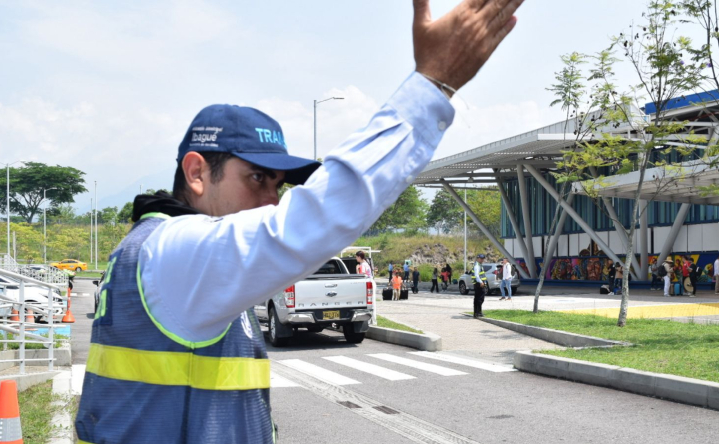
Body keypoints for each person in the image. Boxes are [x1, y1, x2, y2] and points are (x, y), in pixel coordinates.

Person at [74, 1, 529, 441]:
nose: (272, 200)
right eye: (256, 178)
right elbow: (318, 215)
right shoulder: (179, 252)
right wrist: (434, 84)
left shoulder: (158, 252)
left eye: (280, 185)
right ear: (196, 173)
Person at [472, 254, 488, 318]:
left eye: (483, 259)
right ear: (477, 258)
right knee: (480, 299)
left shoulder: (478, 265)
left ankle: (476, 313)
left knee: (477, 298)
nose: (482, 260)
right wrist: (481, 282)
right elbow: (476, 276)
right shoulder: (477, 266)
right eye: (481, 259)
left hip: (478, 283)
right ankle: (478, 312)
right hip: (479, 284)